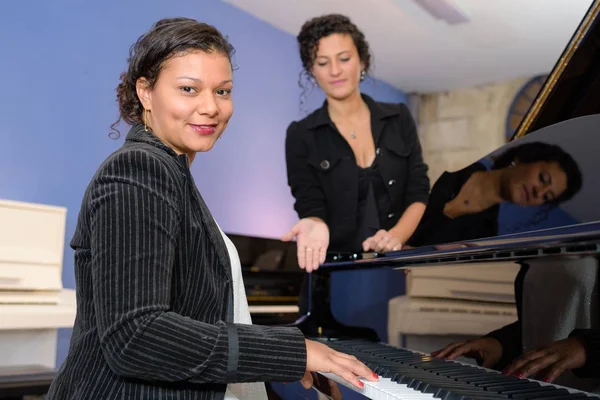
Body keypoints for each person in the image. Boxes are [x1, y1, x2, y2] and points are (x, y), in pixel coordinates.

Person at [45, 17, 377, 400]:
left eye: (223, 91)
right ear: (146, 92)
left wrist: (282, 365)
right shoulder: (138, 169)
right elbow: (136, 336)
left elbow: (197, 320)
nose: (210, 107)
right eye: (189, 89)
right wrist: (294, 351)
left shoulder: (172, 174)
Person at [282, 14, 430, 275]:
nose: (335, 71)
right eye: (322, 62)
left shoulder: (399, 118)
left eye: (344, 58)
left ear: (362, 60)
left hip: (402, 267)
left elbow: (418, 191)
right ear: (312, 70)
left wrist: (395, 237)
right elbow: (309, 201)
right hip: (336, 272)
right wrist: (314, 223)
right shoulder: (301, 135)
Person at [406, 141, 583, 248]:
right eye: (542, 178)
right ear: (523, 159)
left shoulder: (483, 236)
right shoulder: (457, 161)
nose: (539, 192)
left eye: (546, 197)